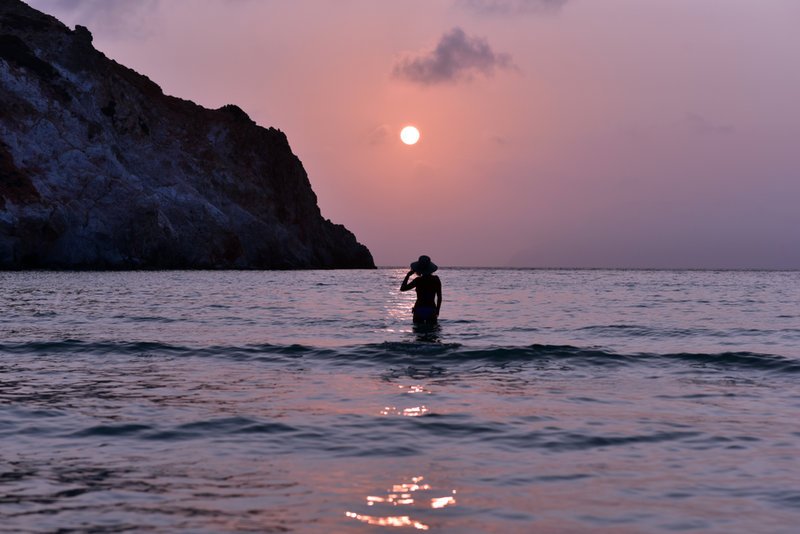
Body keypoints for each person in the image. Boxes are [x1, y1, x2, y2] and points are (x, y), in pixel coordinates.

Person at [400, 255, 442, 324]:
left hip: (419, 309)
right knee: (432, 333)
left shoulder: (418, 280)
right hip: (431, 309)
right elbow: (439, 297)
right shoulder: (436, 279)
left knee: (418, 333)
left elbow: (403, 288)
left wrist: (407, 275)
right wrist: (437, 310)